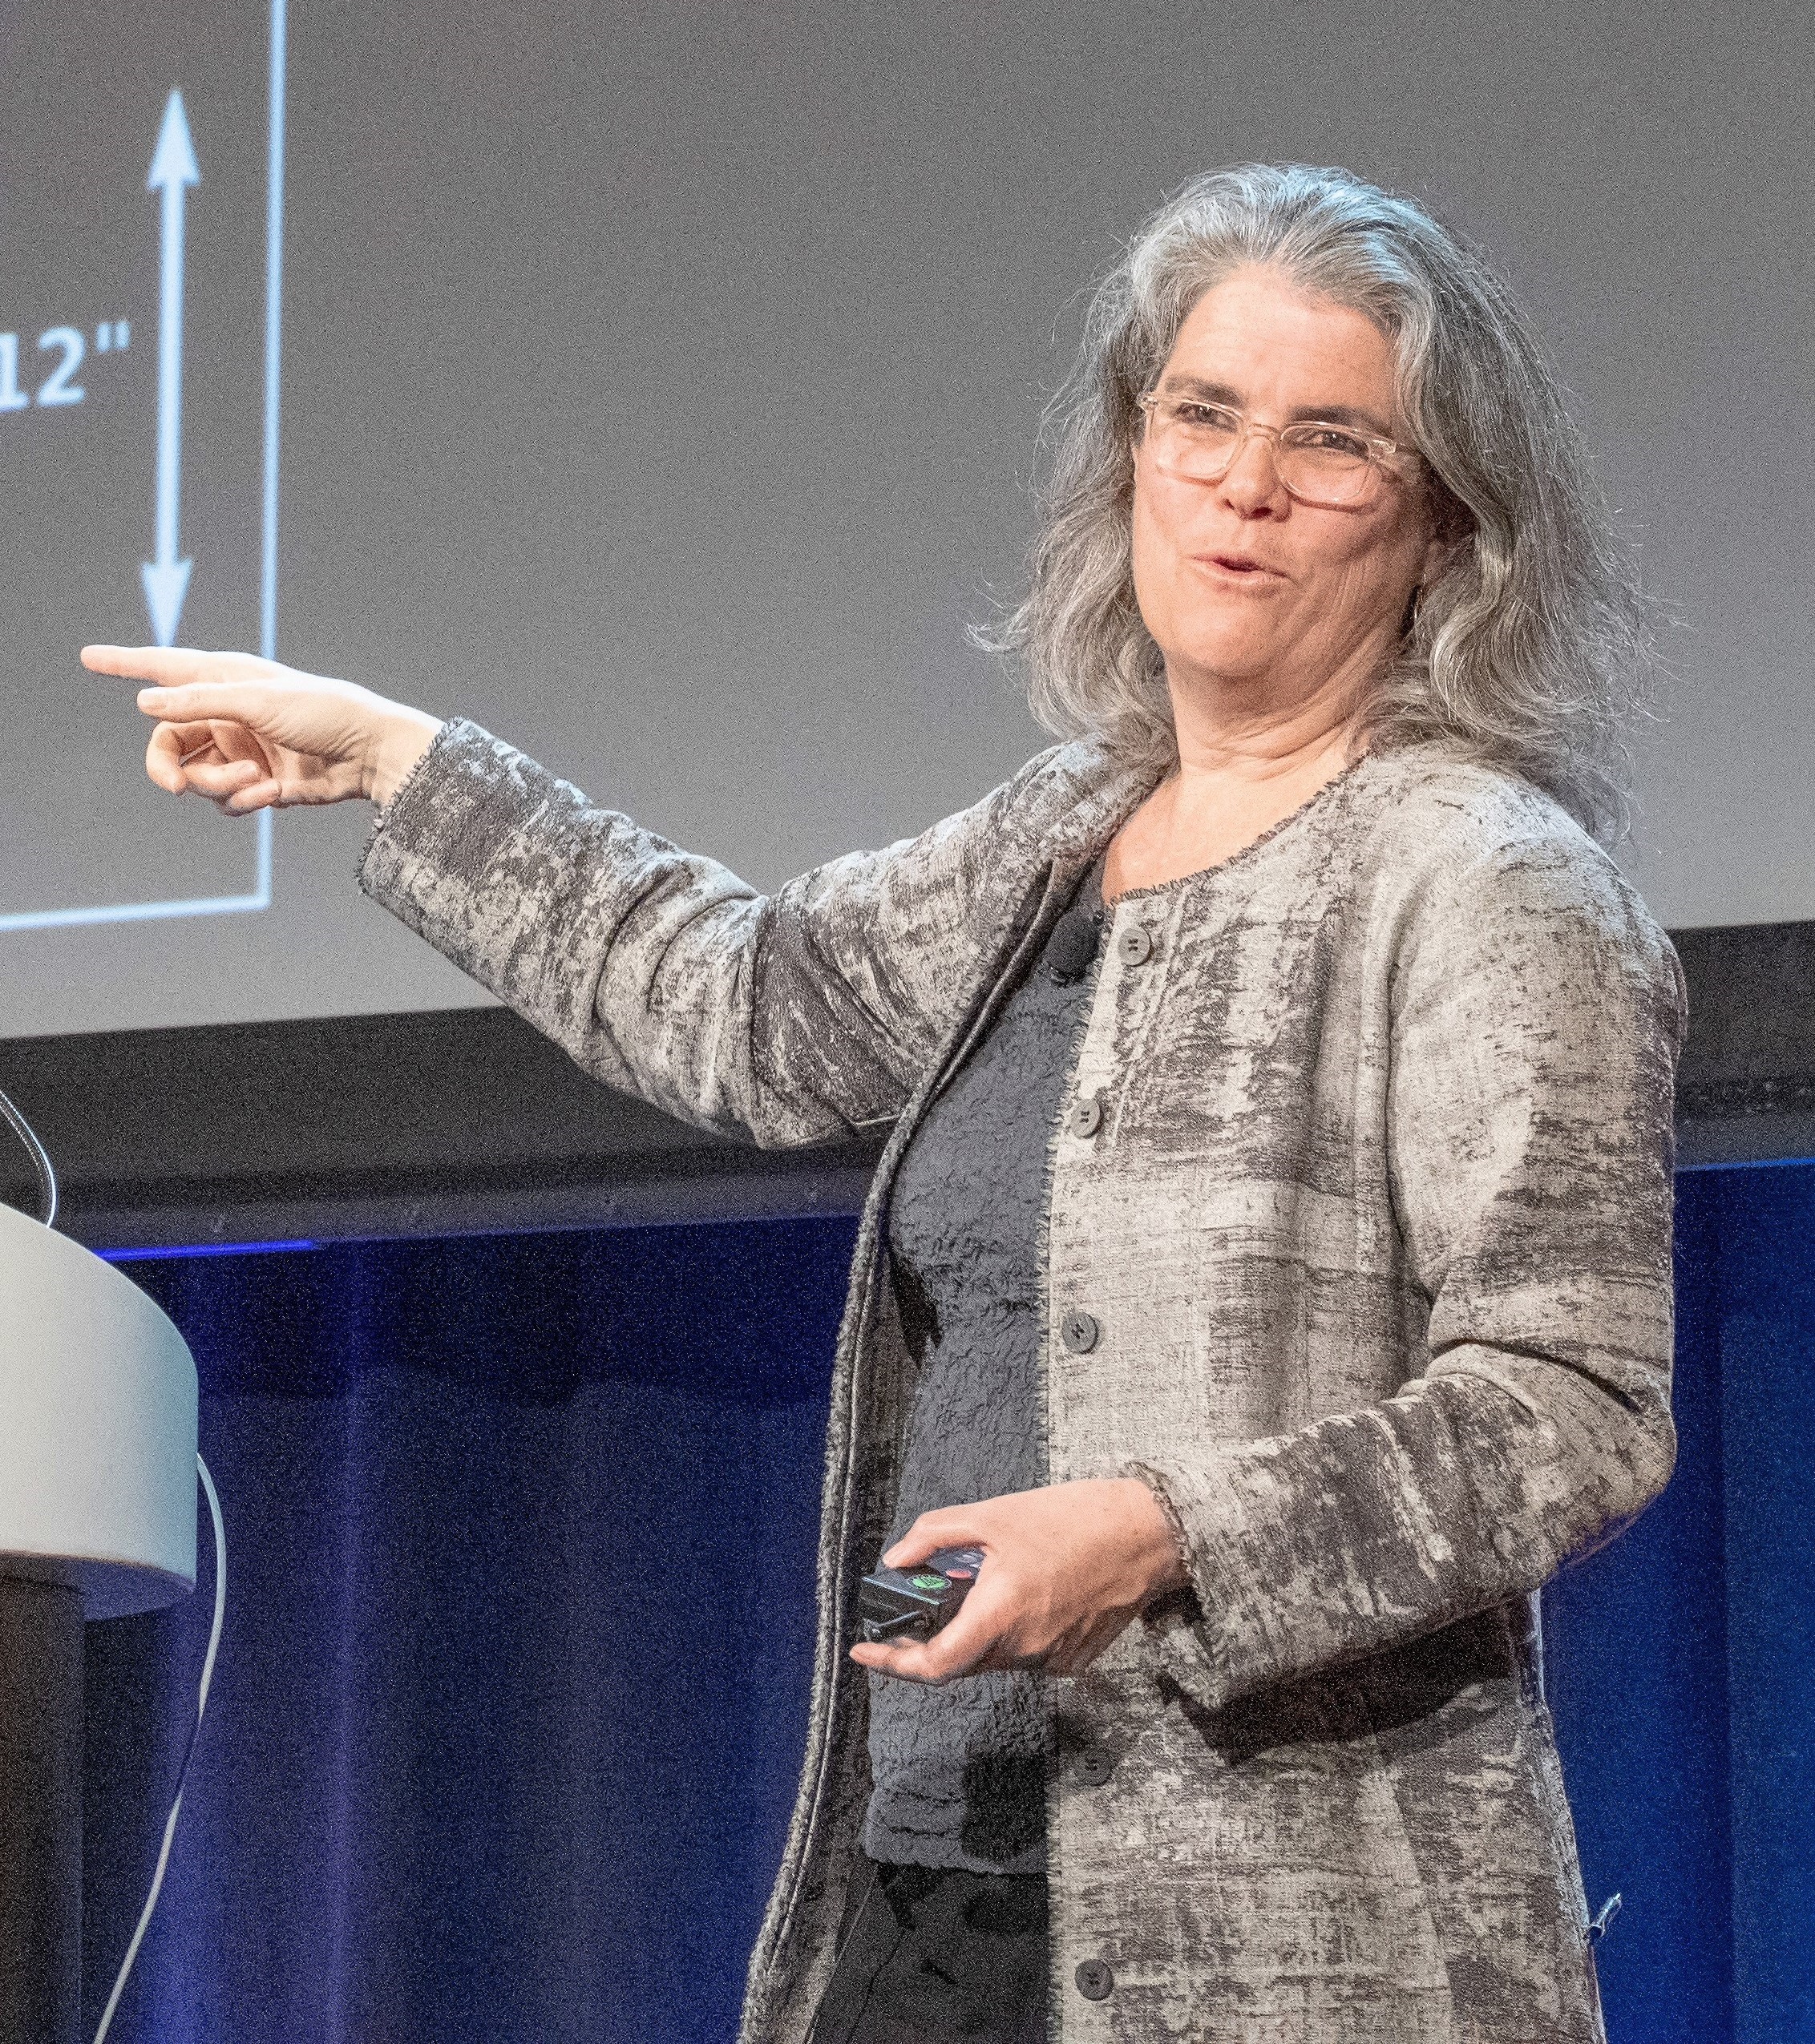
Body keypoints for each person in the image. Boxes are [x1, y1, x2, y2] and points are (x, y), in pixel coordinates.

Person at [84, 164, 1682, 2044]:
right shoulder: (1060, 827)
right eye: (1202, 415)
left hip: (1286, 1935)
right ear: (1133, 455)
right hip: (935, 1887)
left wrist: (1158, 1529)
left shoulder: (1480, 876)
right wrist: (401, 765)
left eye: (1331, 442)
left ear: (1437, 524)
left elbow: (1569, 1406)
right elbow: (750, 1005)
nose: (1245, 483)